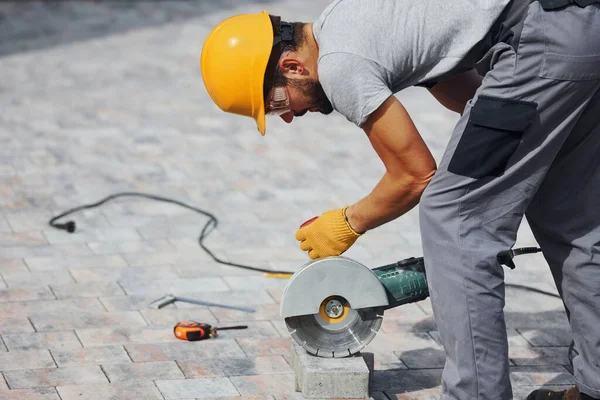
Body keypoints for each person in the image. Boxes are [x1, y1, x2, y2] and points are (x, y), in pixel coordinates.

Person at [200, 0, 600, 398]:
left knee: (456, 218)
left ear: (292, 67)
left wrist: (347, 222)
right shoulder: (347, 19)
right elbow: (462, 87)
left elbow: (415, 175)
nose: (287, 116)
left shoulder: (339, 63)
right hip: (576, 28)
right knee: (570, 217)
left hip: (538, 42)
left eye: (278, 103)